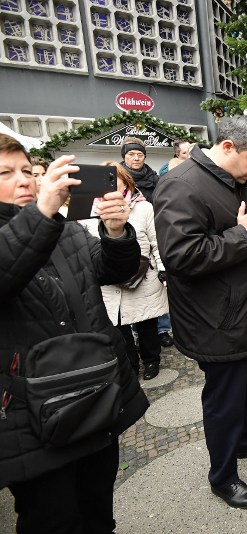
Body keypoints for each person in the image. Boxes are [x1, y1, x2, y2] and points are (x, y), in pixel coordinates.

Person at [0, 134, 149, 532]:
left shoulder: (63, 230)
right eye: (6, 173)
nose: (25, 181)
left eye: (27, 171)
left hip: (94, 394)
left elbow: (112, 270)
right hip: (30, 416)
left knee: (98, 508)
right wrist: (45, 211)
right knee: (52, 519)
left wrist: (116, 232)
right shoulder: (42, 222)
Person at [153, 116, 247, 510]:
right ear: (227, 146)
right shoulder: (181, 184)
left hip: (245, 308)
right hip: (216, 318)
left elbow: (235, 238)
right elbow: (182, 256)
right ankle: (223, 476)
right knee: (225, 400)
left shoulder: (231, 180)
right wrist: (246, 233)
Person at [82, 162, 168, 379]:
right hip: (109, 280)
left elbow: (157, 240)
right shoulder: (88, 211)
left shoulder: (144, 207)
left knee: (146, 323)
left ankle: (151, 360)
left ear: (126, 184)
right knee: (119, 327)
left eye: (115, 184)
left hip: (143, 275)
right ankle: (130, 364)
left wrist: (163, 268)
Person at [120, 136, 160, 203]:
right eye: (131, 154)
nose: (136, 158)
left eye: (140, 155)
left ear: (144, 157)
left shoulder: (156, 180)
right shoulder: (115, 178)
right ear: (124, 156)